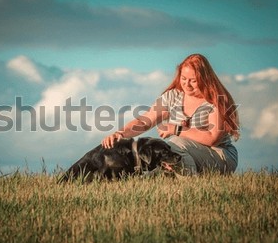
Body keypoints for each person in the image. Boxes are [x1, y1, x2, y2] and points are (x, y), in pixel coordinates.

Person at [101, 53, 239, 175]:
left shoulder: (217, 99)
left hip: (220, 155)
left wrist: (177, 129)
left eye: (193, 81)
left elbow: (212, 138)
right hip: (186, 154)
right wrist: (121, 134)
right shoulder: (173, 96)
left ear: (205, 79)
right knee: (165, 154)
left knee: (174, 144)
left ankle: (190, 185)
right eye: (184, 78)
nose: (187, 84)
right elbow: (146, 120)